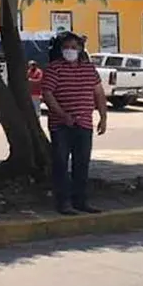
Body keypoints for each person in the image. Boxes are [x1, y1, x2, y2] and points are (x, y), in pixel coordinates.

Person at [41, 32, 108, 215]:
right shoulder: (54, 69)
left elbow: (99, 93)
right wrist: (62, 115)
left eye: (74, 47)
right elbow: (47, 94)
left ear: (80, 49)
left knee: (82, 163)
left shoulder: (89, 69)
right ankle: (63, 202)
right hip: (61, 125)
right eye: (66, 47)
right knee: (61, 163)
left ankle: (81, 201)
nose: (70, 51)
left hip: (84, 123)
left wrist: (103, 116)